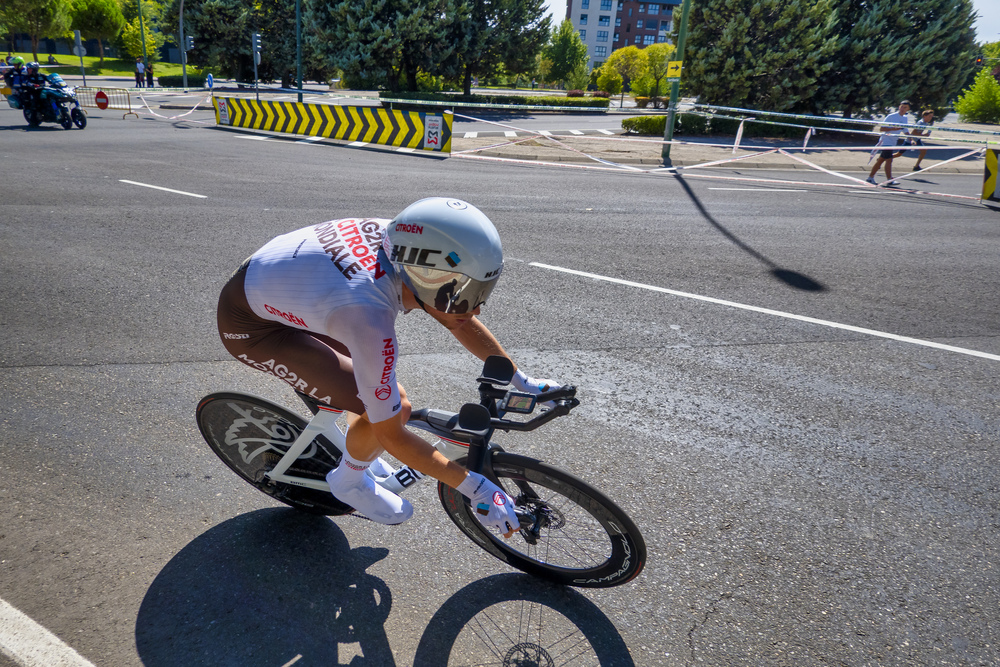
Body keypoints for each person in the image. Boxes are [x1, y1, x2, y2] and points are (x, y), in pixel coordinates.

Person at [215, 198, 561, 535]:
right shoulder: (368, 318)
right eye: (463, 290)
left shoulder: (403, 240)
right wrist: (477, 489)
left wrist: (520, 379)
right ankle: (347, 482)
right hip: (253, 327)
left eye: (479, 290)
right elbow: (392, 433)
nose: (476, 308)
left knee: (373, 399)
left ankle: (357, 448)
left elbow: (458, 318)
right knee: (395, 408)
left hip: (295, 287)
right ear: (424, 275)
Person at [866, 100, 911, 186]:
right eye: (901, 106)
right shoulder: (891, 116)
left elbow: (905, 130)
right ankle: (889, 180)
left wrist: (911, 139)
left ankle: (870, 177)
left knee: (880, 160)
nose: (902, 108)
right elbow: (882, 128)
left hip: (893, 142)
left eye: (905, 107)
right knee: (889, 160)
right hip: (886, 141)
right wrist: (893, 129)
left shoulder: (905, 118)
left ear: (908, 109)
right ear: (899, 106)